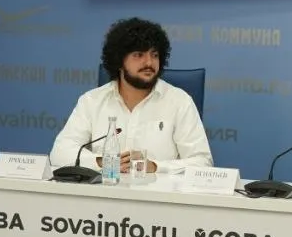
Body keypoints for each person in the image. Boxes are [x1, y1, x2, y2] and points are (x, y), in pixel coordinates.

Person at [51, 17, 212, 175]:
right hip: (104, 190)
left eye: (154, 55)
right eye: (138, 55)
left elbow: (202, 162)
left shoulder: (180, 102)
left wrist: (155, 167)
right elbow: (59, 153)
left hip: (157, 192)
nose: (149, 62)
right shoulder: (92, 101)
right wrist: (103, 162)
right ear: (119, 61)